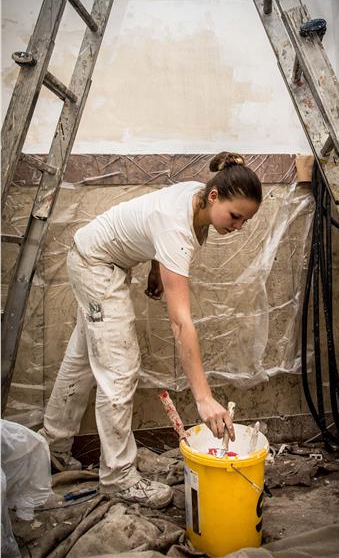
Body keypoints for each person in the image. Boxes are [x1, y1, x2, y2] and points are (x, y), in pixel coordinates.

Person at [38, 151, 262, 508]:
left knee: (81, 362)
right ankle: (119, 477)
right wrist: (203, 399)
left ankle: (50, 449)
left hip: (96, 257)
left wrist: (156, 268)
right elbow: (180, 321)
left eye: (245, 222)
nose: (237, 227)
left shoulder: (198, 195)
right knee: (119, 370)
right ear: (215, 197)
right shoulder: (178, 227)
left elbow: (156, 225)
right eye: (235, 217)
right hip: (96, 266)